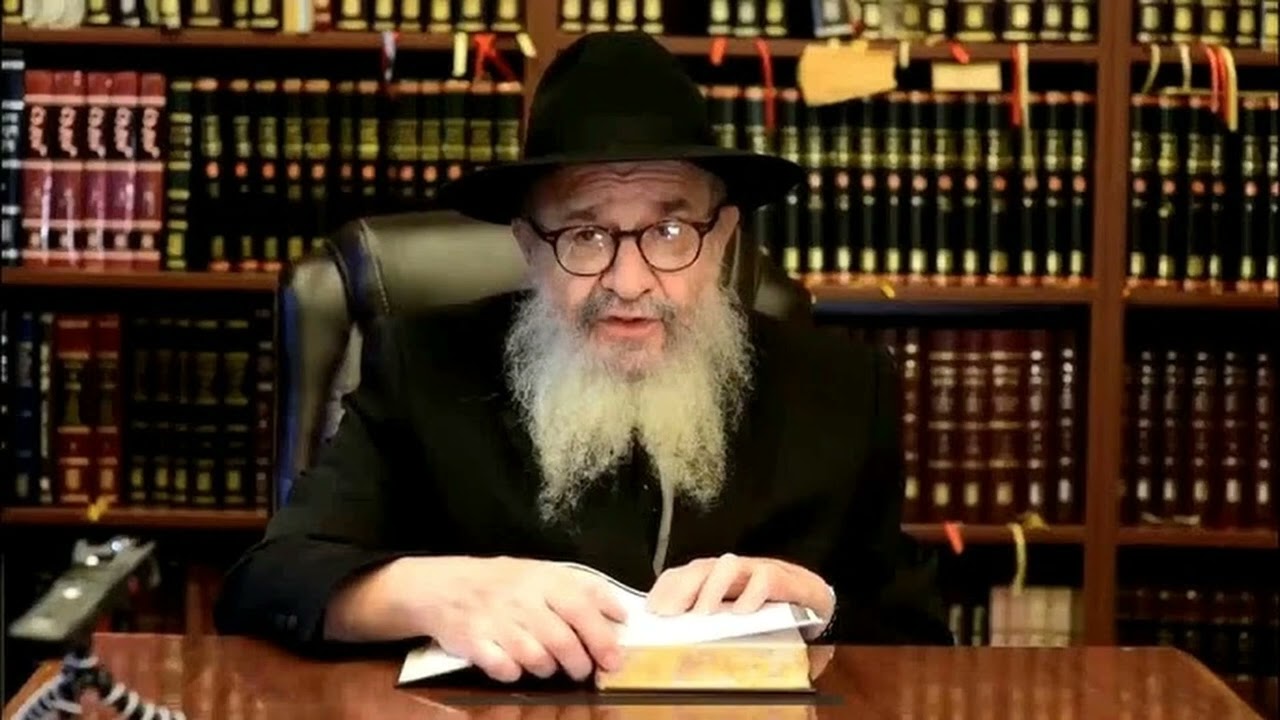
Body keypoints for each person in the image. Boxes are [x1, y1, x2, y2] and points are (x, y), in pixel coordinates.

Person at [214, 31, 952, 683]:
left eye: (669, 232)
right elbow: (266, 582)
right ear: (530, 246)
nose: (629, 283)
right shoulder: (426, 365)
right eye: (585, 235)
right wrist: (430, 592)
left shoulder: (842, 388)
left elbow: (922, 639)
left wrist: (820, 606)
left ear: (723, 237)